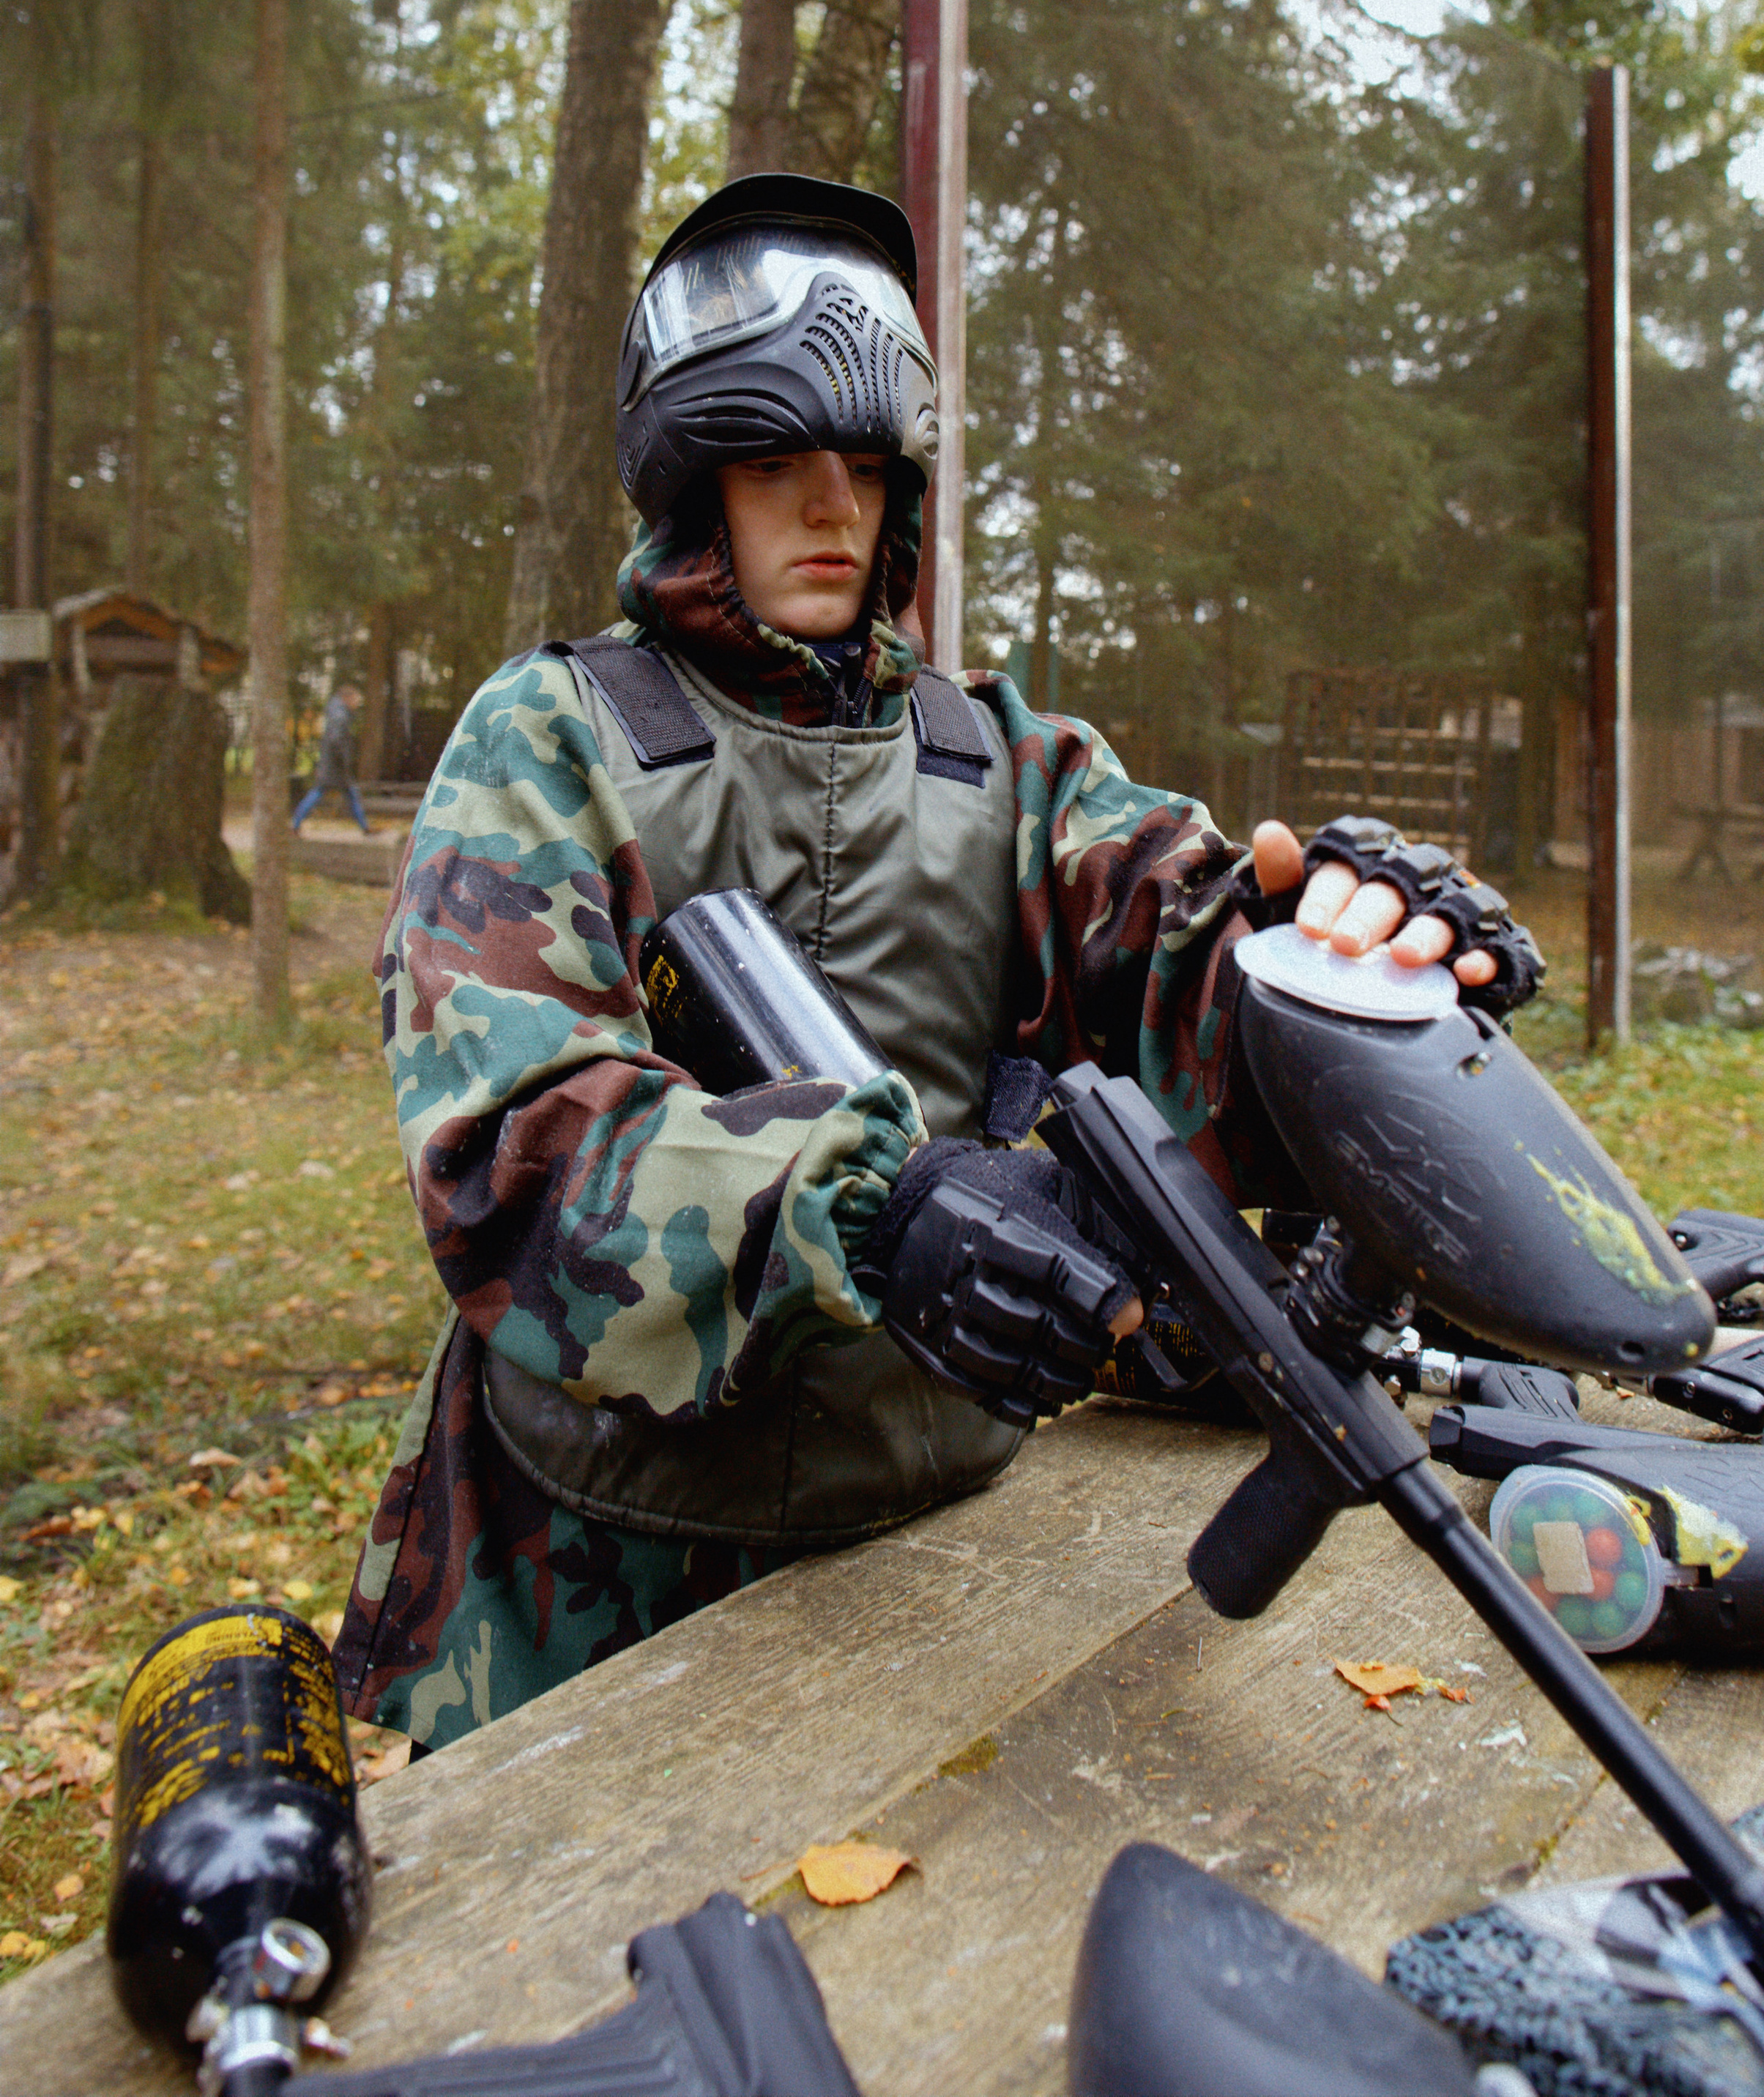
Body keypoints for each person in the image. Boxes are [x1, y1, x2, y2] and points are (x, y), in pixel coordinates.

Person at [334, 173, 1539, 1751]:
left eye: (859, 468)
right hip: (597, 1569)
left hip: (941, 1543)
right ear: (698, 489)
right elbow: (511, 1149)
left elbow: (1170, 953)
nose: (830, 509)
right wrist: (879, 1212)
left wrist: (1326, 961)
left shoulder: (999, 758)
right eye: (775, 466)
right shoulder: (553, 735)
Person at [291, 684, 372, 835]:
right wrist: (345, 760)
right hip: (336, 766)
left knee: (330, 793)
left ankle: (365, 827)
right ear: (347, 698)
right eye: (356, 700)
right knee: (328, 793)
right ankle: (365, 827)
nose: (357, 704)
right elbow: (337, 740)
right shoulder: (340, 715)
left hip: (332, 765)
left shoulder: (337, 713)